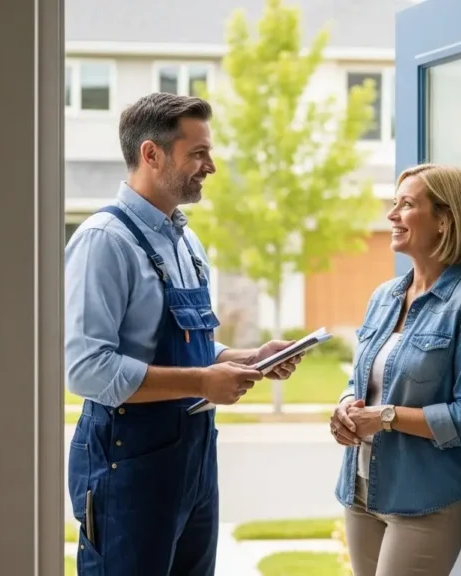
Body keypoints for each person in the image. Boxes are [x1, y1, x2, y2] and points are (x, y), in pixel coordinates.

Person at [64, 92, 301, 576]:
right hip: (127, 465)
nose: (210, 166)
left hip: (193, 463)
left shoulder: (187, 242)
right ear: (151, 154)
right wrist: (202, 382)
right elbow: (87, 369)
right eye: (198, 153)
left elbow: (188, 345)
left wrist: (246, 357)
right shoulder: (104, 241)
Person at [330, 163, 461, 575]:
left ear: (444, 220)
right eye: (394, 203)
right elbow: (359, 380)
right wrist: (344, 407)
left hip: (427, 500)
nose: (392, 215)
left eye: (406, 205)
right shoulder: (384, 296)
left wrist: (385, 417)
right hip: (361, 490)